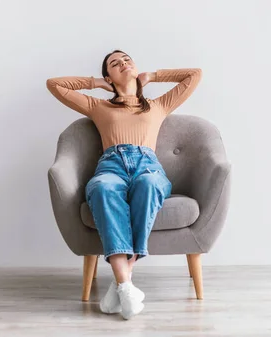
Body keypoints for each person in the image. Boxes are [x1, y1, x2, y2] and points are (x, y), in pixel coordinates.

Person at [46, 50, 202, 319]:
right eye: (115, 64)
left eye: (127, 59)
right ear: (110, 76)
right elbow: (54, 85)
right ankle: (126, 286)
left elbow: (194, 75)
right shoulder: (98, 106)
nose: (123, 63)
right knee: (102, 188)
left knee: (150, 184)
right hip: (111, 165)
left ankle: (122, 284)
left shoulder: (158, 105)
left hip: (148, 165)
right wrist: (96, 82)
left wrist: (152, 76)